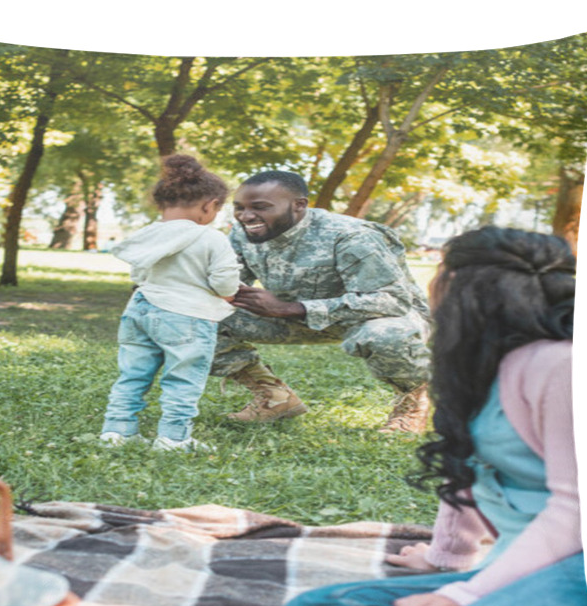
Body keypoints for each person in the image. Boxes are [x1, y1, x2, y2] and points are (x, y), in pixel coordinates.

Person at [280, 226, 587, 606]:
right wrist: (445, 560)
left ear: (458, 287)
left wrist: (467, 595)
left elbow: (582, 511)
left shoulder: (561, 365)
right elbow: (470, 470)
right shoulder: (477, 364)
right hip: (521, 570)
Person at [213, 170, 432, 433]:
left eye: (260, 207)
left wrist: (291, 308)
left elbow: (391, 300)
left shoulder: (350, 235)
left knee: (385, 335)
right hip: (292, 316)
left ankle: (414, 400)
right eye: (240, 208)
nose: (246, 216)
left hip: (374, 317)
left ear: (299, 205)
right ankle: (275, 398)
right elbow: (225, 283)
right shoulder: (243, 234)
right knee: (195, 317)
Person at [100, 155, 240, 452]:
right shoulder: (211, 238)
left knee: (133, 374)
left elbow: (138, 273)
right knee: (183, 380)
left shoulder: (147, 234)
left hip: (139, 308)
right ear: (209, 206)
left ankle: (117, 432)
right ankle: (173, 439)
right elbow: (224, 279)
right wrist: (228, 295)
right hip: (187, 316)